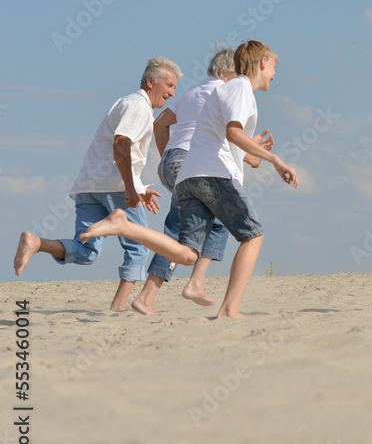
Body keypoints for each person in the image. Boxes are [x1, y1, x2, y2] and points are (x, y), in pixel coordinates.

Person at [80, 40, 298, 320]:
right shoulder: (238, 87)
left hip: (187, 173)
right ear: (262, 62)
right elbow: (232, 133)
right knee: (253, 235)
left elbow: (206, 132)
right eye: (274, 66)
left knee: (187, 251)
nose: (275, 74)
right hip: (212, 173)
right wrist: (275, 160)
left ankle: (125, 227)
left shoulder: (204, 91)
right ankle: (228, 308)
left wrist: (169, 160)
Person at [14, 58, 181, 310]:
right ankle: (119, 306)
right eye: (169, 85)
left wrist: (139, 186)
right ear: (150, 82)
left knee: (87, 250)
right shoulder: (139, 106)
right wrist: (128, 187)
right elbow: (121, 143)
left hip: (88, 187)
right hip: (115, 187)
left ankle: (37, 243)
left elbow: (116, 149)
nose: (172, 92)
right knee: (138, 246)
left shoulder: (125, 102)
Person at [130, 47, 275, 315]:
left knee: (202, 221)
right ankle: (177, 287)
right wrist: (249, 153)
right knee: (187, 227)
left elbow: (160, 124)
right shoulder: (225, 91)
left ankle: (176, 287)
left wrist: (168, 161)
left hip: (176, 160)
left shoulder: (193, 91)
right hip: (194, 163)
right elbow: (220, 138)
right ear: (230, 72)